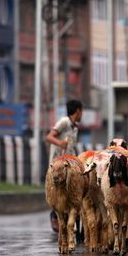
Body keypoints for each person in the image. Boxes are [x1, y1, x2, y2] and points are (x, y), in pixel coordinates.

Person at [45, 99, 83, 231]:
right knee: (56, 190)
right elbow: (49, 136)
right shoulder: (64, 122)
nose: (81, 114)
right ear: (78, 111)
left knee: (71, 189)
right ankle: (54, 215)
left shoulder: (74, 127)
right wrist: (60, 143)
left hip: (69, 163)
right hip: (57, 163)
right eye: (81, 112)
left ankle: (72, 218)